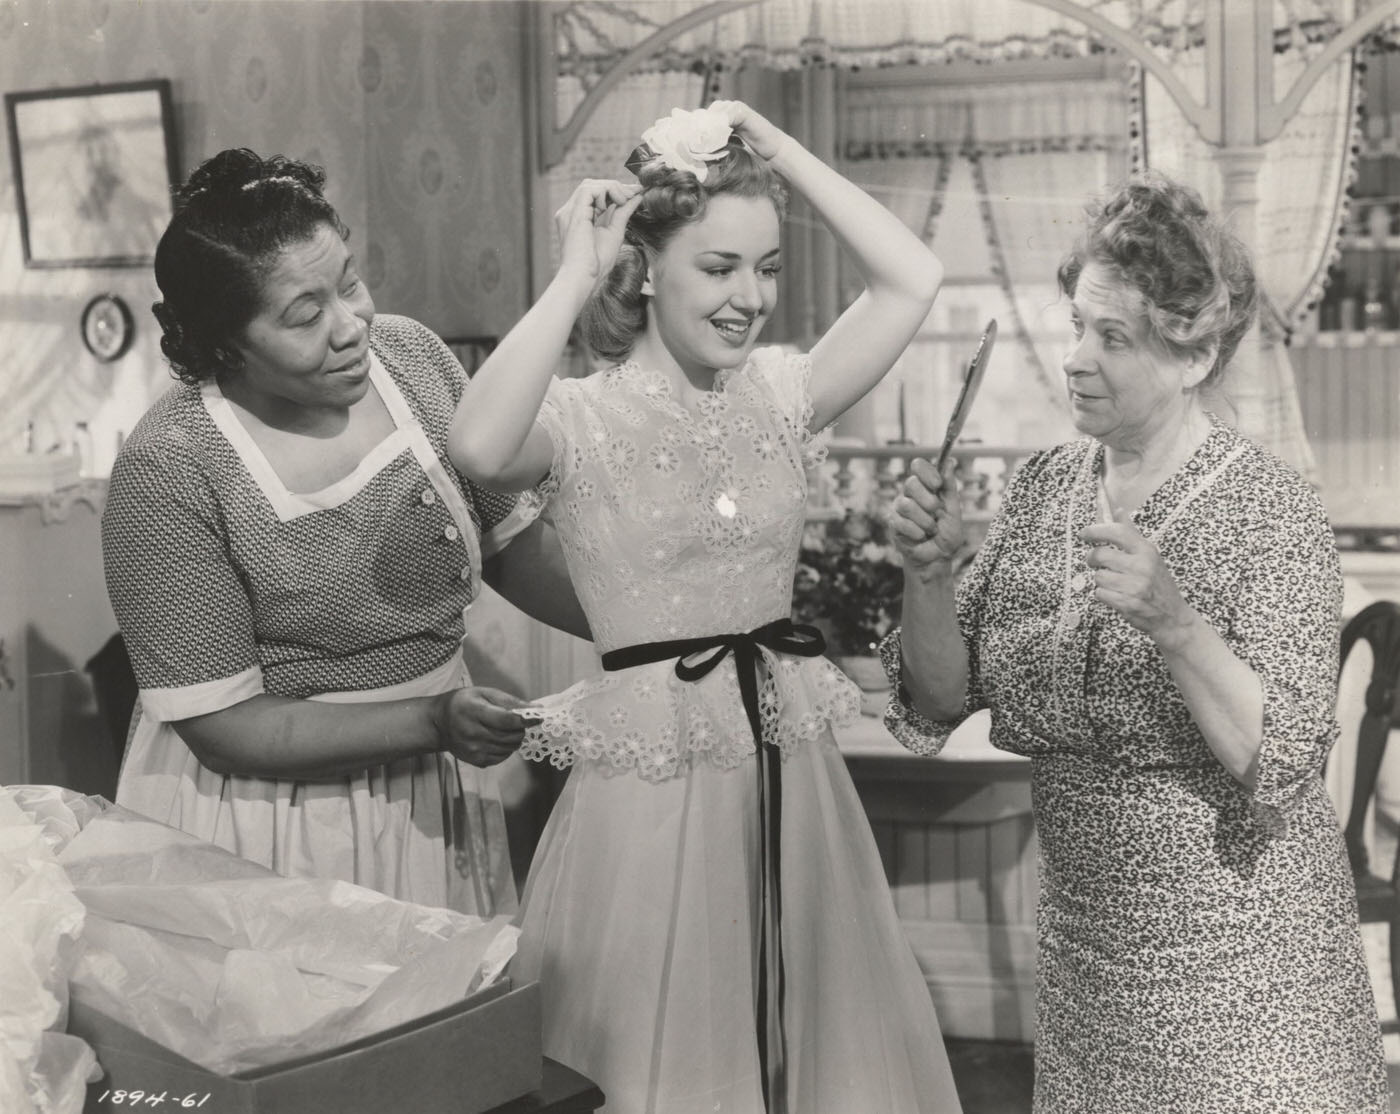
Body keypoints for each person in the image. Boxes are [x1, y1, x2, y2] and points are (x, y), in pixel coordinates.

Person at [447, 102, 961, 1113]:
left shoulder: (779, 391)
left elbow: (912, 278)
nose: (750, 297)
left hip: (788, 778)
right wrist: (569, 275)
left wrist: (780, 152)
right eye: (718, 268)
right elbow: (473, 447)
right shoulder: (578, 417)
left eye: (765, 268)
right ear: (644, 269)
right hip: (649, 789)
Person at [884, 172, 1388, 1112]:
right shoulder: (1043, 490)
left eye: (1113, 337)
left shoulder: (1267, 510)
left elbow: (1276, 759)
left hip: (1247, 969)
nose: (1075, 357)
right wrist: (929, 575)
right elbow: (940, 697)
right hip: (1090, 967)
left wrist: (1177, 626)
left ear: (1194, 356)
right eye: (1077, 323)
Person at [101, 149, 589, 916]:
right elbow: (224, 727)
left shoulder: (413, 359)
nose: (351, 326)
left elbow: (512, 545)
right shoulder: (171, 464)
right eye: (304, 315)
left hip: (430, 783)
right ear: (224, 342)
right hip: (267, 819)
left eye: (350, 282)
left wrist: (660, 626)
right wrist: (428, 721)